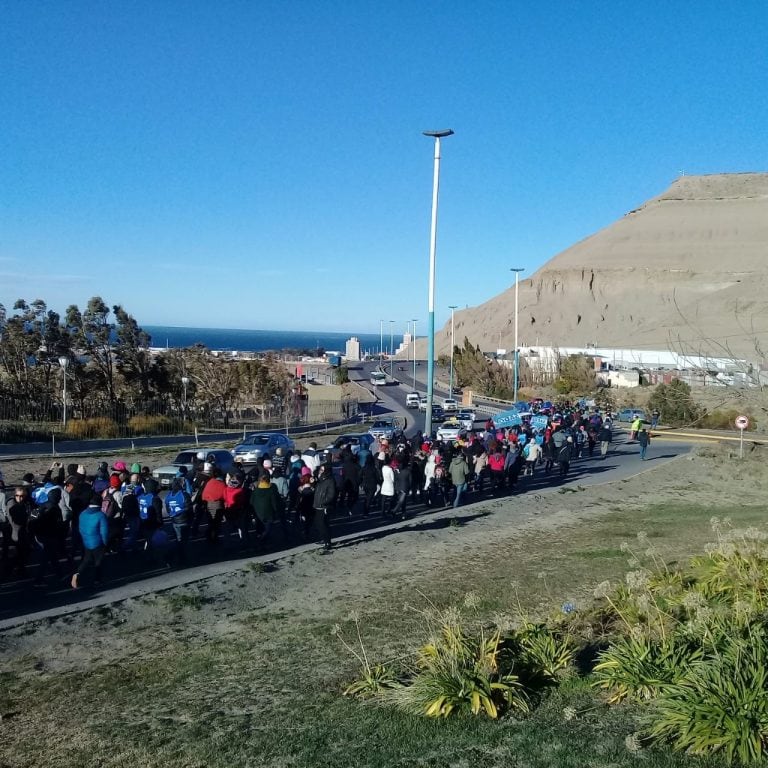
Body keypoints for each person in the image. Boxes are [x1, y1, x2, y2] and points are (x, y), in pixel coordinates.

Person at [72, 494, 109, 588]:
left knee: (86, 560)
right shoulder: (101, 515)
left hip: (86, 540)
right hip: (97, 542)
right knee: (98, 561)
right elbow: (104, 532)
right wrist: (105, 543)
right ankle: (97, 580)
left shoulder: (83, 513)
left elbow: (80, 527)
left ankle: (77, 573)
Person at [165, 477, 192, 564]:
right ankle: (178, 558)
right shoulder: (184, 495)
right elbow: (189, 509)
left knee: (177, 539)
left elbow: (167, 508)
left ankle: (175, 556)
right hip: (184, 521)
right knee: (182, 541)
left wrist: (172, 515)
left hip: (174, 520)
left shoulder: (169, 495)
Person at [312, 463, 336, 551]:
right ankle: (323, 539)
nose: (320, 472)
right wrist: (313, 482)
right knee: (318, 524)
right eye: (320, 470)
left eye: (322, 470)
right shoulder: (321, 480)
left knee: (323, 525)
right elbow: (317, 489)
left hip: (323, 506)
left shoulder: (330, 480)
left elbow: (331, 495)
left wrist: (323, 502)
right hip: (317, 505)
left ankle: (327, 542)